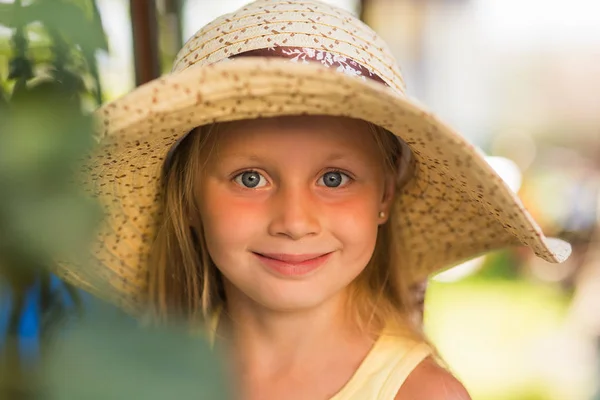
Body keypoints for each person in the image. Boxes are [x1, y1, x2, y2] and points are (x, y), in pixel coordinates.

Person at [56, 0, 572, 399]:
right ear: (189, 200)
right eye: (251, 178)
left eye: (334, 178)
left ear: (385, 196)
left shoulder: (421, 395)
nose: (295, 221)